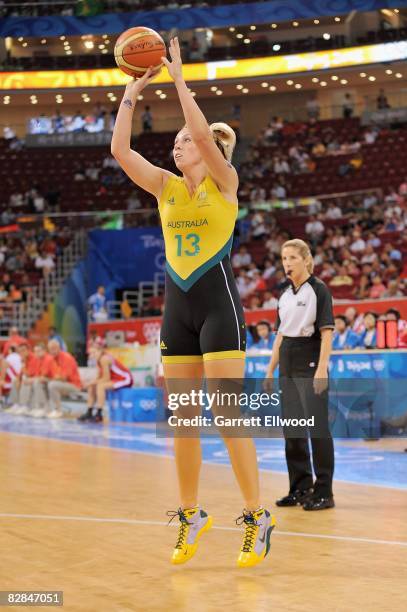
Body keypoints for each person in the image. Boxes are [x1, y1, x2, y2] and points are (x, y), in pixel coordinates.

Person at [111, 38, 274, 568]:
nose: (177, 147)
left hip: (219, 310)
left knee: (229, 417)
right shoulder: (166, 188)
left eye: (184, 142)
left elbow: (202, 131)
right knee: (182, 419)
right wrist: (131, 94)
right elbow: (120, 152)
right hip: (176, 312)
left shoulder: (226, 184)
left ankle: (256, 515)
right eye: (177, 143)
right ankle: (190, 513)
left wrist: (179, 79)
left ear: (206, 151)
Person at [265, 239, 335, 511]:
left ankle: (324, 491)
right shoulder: (283, 295)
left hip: (309, 358)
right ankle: (300, 486)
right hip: (288, 361)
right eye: (284, 258)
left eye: (293, 257)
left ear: (306, 260)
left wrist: (321, 369)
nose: (287, 263)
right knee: (292, 430)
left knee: (317, 429)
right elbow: (280, 335)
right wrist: (270, 369)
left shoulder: (319, 290)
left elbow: (327, 332)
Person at [78, 343, 132, 423]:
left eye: (94, 352)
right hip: (115, 379)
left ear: (100, 351)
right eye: (90, 353)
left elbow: (106, 378)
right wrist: (90, 383)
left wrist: (90, 383)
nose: (92, 355)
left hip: (125, 379)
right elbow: (99, 377)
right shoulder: (98, 360)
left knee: (100, 386)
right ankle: (89, 411)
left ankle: (99, 413)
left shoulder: (104, 359)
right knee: (92, 386)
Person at [43, 340, 82, 418]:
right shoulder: (51, 359)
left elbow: (64, 378)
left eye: (54, 348)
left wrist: (50, 378)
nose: (52, 351)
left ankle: (58, 410)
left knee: (52, 384)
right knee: (40, 383)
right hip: (61, 383)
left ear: (59, 348)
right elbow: (45, 374)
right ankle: (44, 409)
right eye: (50, 349)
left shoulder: (66, 357)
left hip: (74, 385)